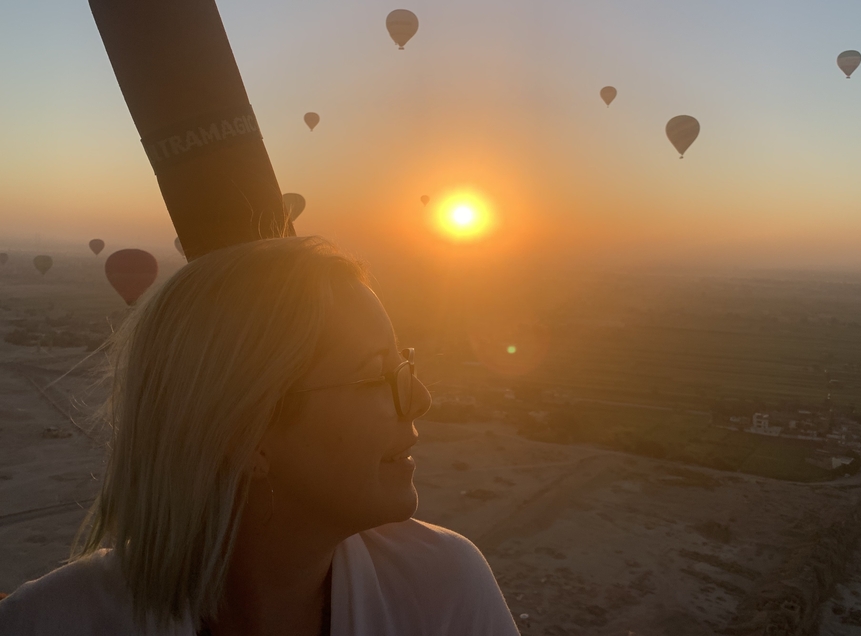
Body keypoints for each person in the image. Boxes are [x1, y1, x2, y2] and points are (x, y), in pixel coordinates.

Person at [0, 237, 520, 636]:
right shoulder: (46, 622)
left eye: (404, 365)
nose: (420, 399)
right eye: (374, 376)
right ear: (249, 435)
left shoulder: (442, 584)